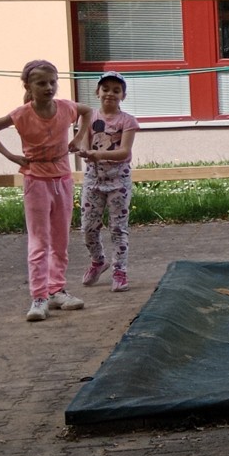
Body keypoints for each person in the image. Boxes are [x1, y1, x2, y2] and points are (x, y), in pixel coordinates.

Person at [0, 59, 85, 323]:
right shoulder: (21, 114)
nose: (48, 88)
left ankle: (57, 290)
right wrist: (11, 156)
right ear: (28, 86)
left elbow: (89, 112)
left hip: (62, 180)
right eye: (41, 83)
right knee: (40, 241)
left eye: (52, 82)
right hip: (36, 181)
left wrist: (78, 137)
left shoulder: (66, 108)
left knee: (60, 239)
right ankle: (39, 297)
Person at [74, 72, 139, 293]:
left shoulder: (127, 121)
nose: (110, 93)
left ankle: (120, 271)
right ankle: (98, 260)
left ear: (123, 96)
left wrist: (98, 154)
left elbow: (124, 151)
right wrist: (83, 151)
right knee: (88, 227)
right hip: (93, 179)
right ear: (97, 92)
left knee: (118, 228)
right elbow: (84, 144)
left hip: (119, 180)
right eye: (106, 89)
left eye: (116, 90)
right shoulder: (89, 117)